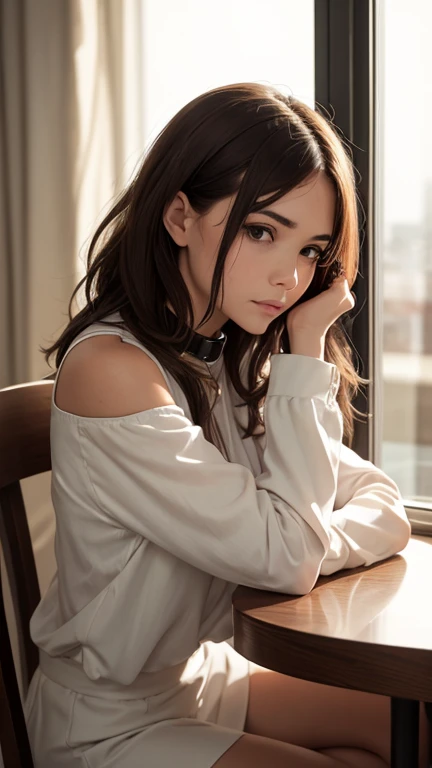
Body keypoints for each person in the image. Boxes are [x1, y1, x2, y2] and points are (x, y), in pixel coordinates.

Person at [25, 82, 429, 768]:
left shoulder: (228, 361)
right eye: (261, 231)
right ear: (180, 217)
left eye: (311, 250)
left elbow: (380, 506)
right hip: (105, 724)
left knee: (418, 730)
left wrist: (293, 538)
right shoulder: (114, 374)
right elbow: (289, 557)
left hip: (205, 679)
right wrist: (306, 351)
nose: (290, 278)